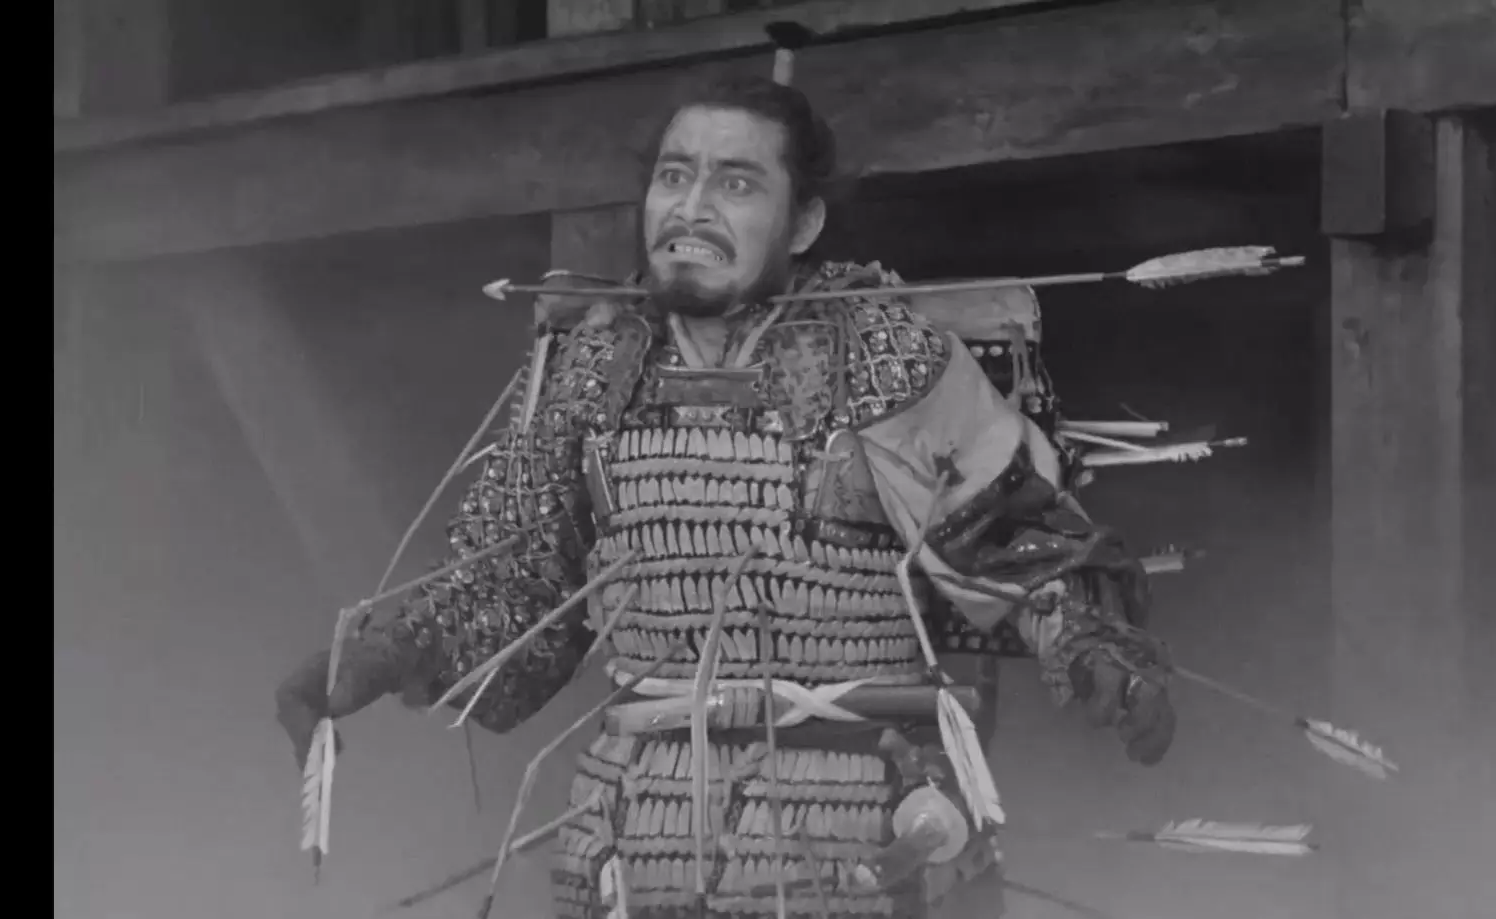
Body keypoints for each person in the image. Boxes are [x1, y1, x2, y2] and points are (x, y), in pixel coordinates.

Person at [276, 74, 1176, 919]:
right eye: (674, 176)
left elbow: (1019, 537)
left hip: (865, 817)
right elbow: (510, 581)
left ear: (803, 221)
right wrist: (382, 650)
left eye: (735, 183)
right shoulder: (592, 369)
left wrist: (1093, 644)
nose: (692, 207)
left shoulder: (883, 355)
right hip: (635, 825)